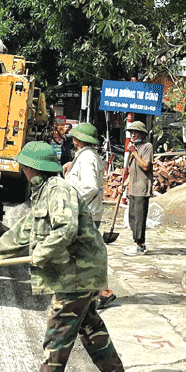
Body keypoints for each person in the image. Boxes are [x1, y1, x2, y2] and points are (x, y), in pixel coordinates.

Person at [0, 141, 134, 372]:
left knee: (58, 331)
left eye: (23, 165)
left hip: (77, 272)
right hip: (81, 270)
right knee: (90, 326)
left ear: (29, 168)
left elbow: (66, 227)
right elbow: (22, 232)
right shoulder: (45, 192)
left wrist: (42, 252)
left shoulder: (59, 191)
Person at [62, 123, 115, 308]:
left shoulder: (86, 158)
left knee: (84, 254)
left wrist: (71, 201)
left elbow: (90, 187)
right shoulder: (86, 156)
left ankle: (101, 292)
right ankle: (96, 292)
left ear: (79, 140)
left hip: (86, 211)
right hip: (89, 211)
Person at [123, 120, 154, 256]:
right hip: (133, 187)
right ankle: (136, 242)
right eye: (131, 132)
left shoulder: (147, 147)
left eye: (136, 132)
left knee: (139, 218)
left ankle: (140, 246)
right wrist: (125, 183)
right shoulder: (133, 148)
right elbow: (132, 168)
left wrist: (135, 153)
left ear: (142, 134)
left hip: (142, 188)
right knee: (132, 217)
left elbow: (146, 166)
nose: (133, 135)